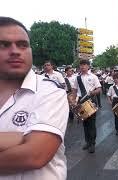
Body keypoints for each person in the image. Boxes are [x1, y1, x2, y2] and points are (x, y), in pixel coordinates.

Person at [0, 17, 68, 180]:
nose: (16, 51)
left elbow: (35, 154)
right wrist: (20, 137)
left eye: (23, 45)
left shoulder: (49, 91)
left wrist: (27, 143)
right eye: (4, 44)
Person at [73, 59, 102, 153]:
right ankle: (87, 142)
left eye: (84, 64)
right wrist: (73, 101)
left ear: (88, 66)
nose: (82, 66)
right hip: (81, 101)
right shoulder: (77, 78)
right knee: (85, 123)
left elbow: (99, 89)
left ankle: (92, 143)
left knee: (92, 124)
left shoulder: (93, 77)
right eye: (81, 65)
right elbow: (74, 90)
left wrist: (93, 92)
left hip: (91, 100)